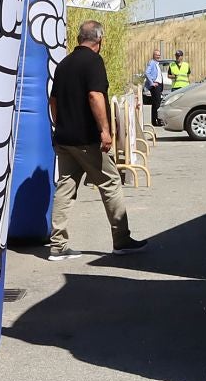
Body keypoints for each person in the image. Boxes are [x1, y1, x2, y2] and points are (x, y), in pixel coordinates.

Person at [46, 20, 145, 262]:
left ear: (80, 38)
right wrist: (105, 131)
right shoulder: (93, 62)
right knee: (110, 183)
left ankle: (58, 244)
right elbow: (95, 95)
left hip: (64, 138)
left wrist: (60, 125)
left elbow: (53, 101)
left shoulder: (64, 64)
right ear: (99, 41)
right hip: (87, 139)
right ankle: (121, 239)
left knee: (65, 187)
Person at [143, 47, 168, 123]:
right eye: (157, 55)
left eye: (159, 55)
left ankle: (155, 120)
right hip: (155, 86)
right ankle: (157, 120)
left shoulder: (156, 64)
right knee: (156, 104)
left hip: (158, 86)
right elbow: (147, 73)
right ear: (153, 55)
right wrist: (152, 83)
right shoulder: (152, 63)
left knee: (156, 103)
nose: (158, 56)